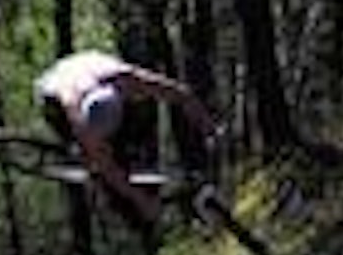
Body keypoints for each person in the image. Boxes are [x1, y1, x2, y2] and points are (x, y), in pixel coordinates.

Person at [34, 50, 222, 237]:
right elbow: (105, 165)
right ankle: (88, 155)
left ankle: (121, 152)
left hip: (93, 66)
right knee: (100, 163)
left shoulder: (130, 81)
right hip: (52, 92)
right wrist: (139, 200)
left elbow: (182, 94)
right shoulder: (75, 114)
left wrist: (210, 130)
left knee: (135, 130)